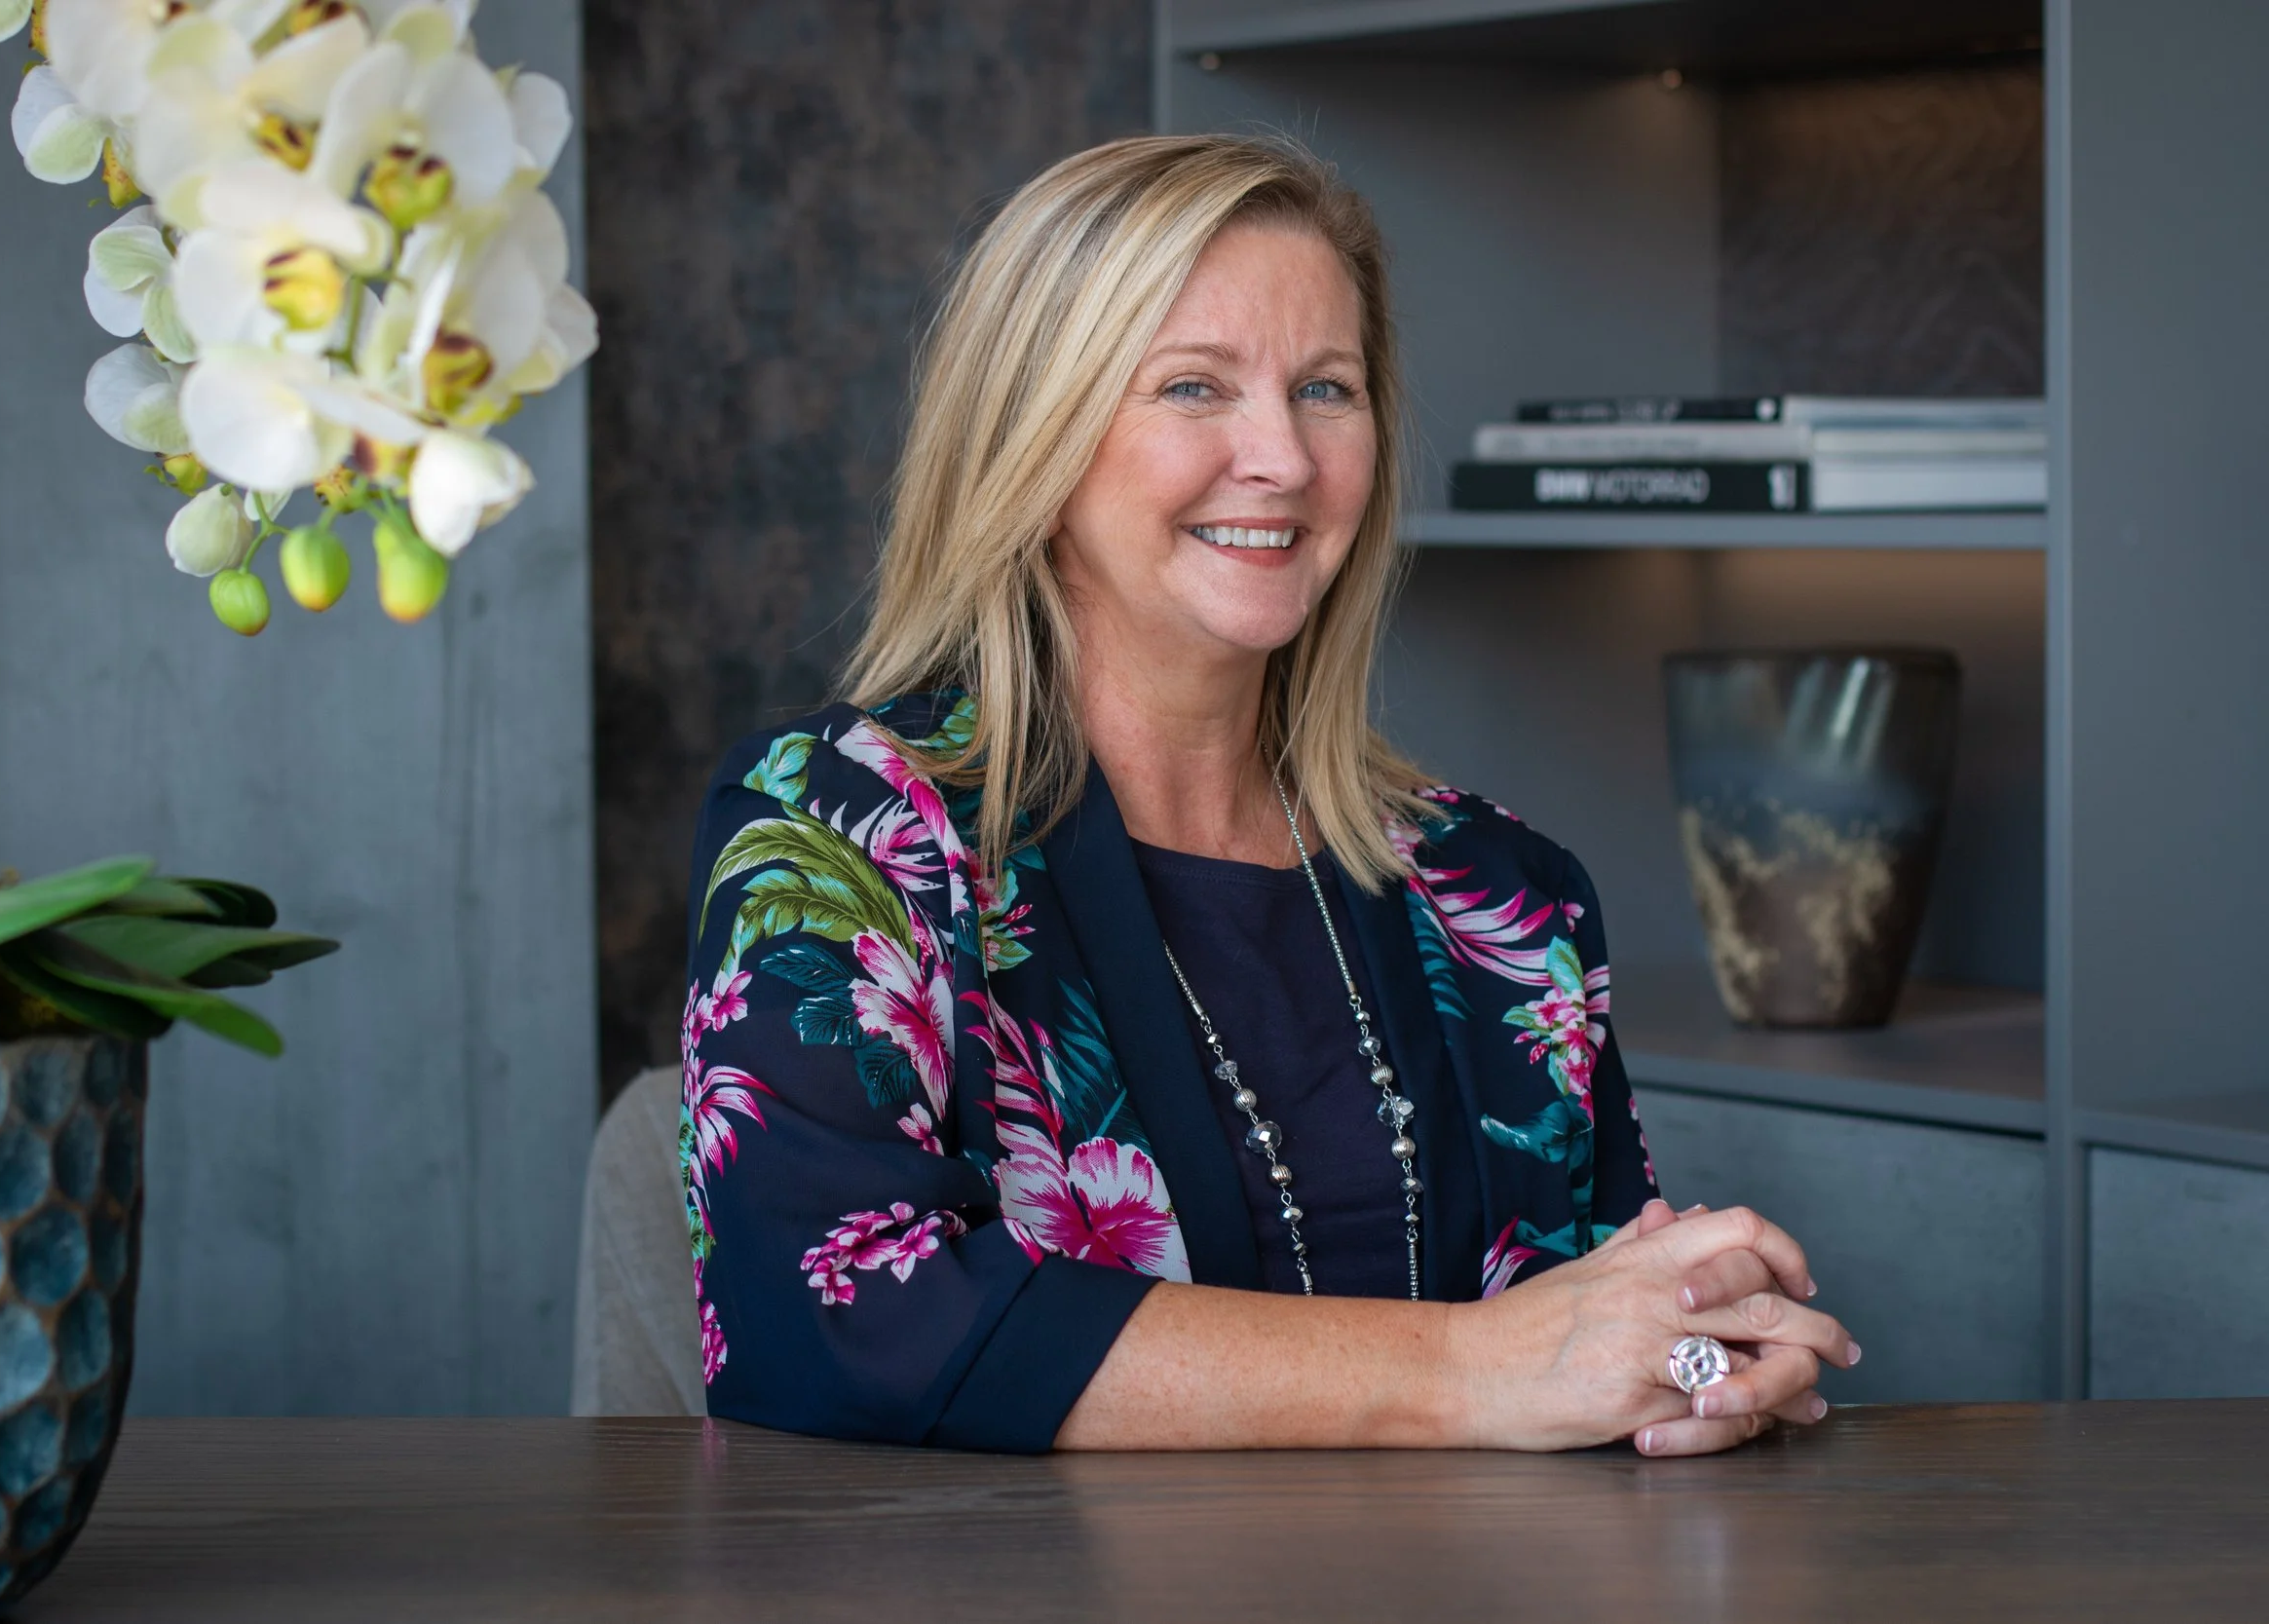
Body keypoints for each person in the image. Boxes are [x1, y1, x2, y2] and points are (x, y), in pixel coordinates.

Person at [678, 134, 1855, 1455]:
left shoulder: (1505, 893)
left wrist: (1699, 1355)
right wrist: (1470, 1368)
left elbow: (1593, 1327)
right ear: (1034, 434)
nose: (1283, 458)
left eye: (1327, 389)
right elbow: (830, 1320)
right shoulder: (845, 828)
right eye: (1194, 385)